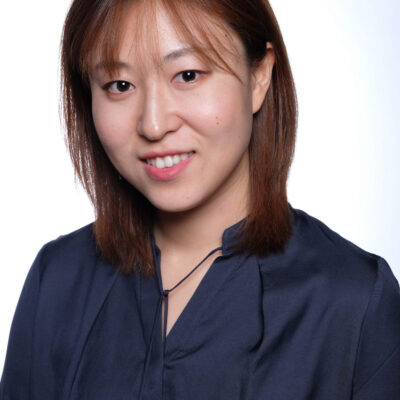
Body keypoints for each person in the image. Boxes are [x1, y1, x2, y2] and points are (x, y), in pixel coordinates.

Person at [1, 0, 399, 398]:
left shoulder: (354, 300)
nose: (154, 124)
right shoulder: (57, 279)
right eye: (119, 86)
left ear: (259, 75)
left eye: (187, 75)